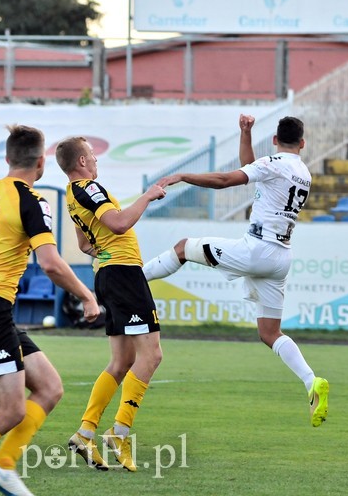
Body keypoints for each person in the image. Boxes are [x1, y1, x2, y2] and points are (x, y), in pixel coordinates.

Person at [141, 115, 330, 427]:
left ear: (274, 140)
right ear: (303, 143)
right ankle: (311, 382)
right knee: (269, 333)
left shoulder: (274, 164)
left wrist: (184, 176)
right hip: (281, 256)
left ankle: (132, 277)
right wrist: (246, 133)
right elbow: (251, 171)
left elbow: (226, 180)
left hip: (256, 249)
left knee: (183, 247)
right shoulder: (302, 171)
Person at [0, 125, 100, 495]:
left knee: (50, 387)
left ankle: (3, 465)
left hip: (0, 313)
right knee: (10, 410)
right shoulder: (31, 201)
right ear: (41, 163)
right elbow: (51, 264)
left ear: (7, 158)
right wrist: (87, 296)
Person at [55, 136, 167, 472]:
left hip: (108, 273)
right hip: (123, 274)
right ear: (82, 163)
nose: (96, 160)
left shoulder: (72, 196)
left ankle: (85, 432)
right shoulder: (89, 188)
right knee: (153, 354)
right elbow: (119, 223)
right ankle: (119, 432)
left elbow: (83, 243)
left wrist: (105, 254)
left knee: (121, 362)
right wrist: (147, 196)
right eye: (92, 155)